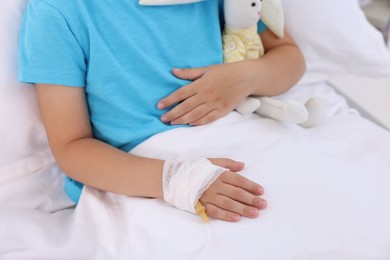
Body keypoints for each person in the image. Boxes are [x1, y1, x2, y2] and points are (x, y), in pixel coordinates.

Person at [18, 0, 306, 222]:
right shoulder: (57, 11)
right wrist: (181, 181)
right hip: (144, 174)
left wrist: (243, 78)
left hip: (244, 137)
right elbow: (71, 147)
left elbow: (290, 57)